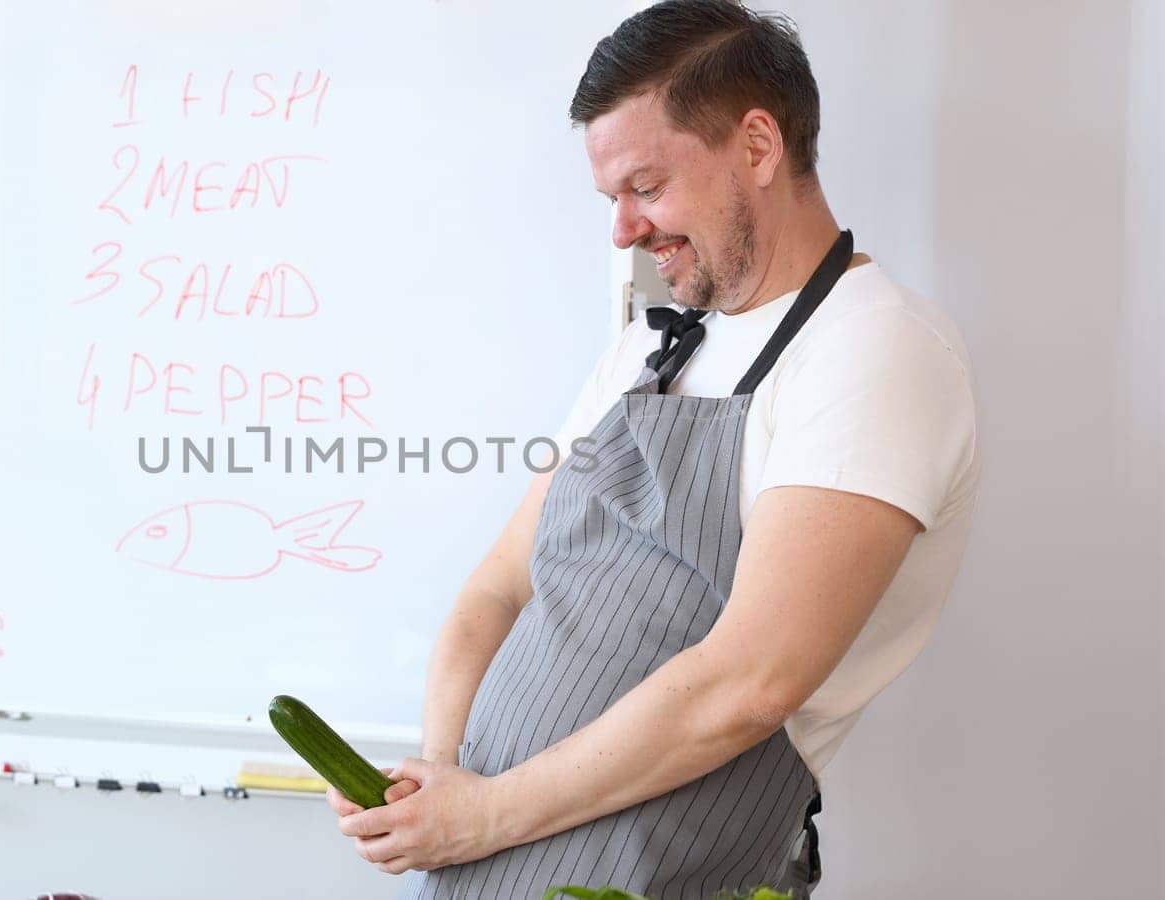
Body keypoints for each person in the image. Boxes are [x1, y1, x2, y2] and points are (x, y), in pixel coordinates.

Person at [326, 1, 980, 898]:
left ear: (758, 147)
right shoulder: (651, 347)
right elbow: (498, 586)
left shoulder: (875, 351)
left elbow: (751, 681)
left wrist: (481, 814)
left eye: (646, 187)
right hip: (482, 861)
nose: (624, 231)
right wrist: (441, 779)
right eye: (613, 199)